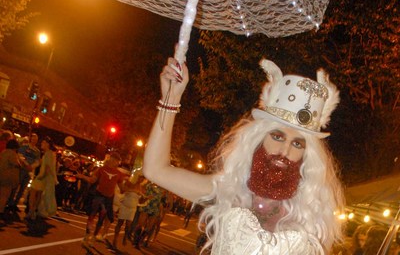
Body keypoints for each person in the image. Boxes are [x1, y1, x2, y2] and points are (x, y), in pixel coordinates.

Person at [143, 57, 345, 254]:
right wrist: (171, 99)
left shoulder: (311, 214)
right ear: (258, 138)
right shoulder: (229, 191)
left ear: (306, 154)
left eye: (297, 143)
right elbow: (155, 170)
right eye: (277, 136)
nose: (285, 151)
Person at [76, 152, 126, 247]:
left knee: (101, 218)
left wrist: (133, 188)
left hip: (108, 199)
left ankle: (93, 238)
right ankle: (86, 236)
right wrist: (82, 176)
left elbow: (122, 188)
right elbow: (92, 180)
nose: (114, 162)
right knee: (92, 215)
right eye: (113, 159)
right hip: (98, 195)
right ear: (110, 159)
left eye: (117, 161)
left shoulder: (119, 174)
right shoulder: (102, 169)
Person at [7, 133, 40, 213]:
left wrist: (32, 166)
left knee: (23, 188)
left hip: (29, 171)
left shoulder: (37, 151)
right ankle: (10, 203)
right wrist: (26, 163)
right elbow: (20, 155)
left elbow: (37, 161)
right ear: (30, 139)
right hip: (22, 169)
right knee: (16, 186)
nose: (34, 140)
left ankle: (15, 204)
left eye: (35, 139)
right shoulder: (24, 147)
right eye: (33, 139)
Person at [27, 136, 57, 220]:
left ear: (47, 144)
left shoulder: (48, 154)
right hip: (43, 177)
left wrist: (40, 176)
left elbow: (48, 168)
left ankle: (31, 210)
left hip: (41, 177)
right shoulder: (49, 153)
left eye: (43, 143)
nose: (41, 144)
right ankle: (33, 211)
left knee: (33, 194)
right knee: (38, 195)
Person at [0, 139, 31, 219]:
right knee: (4, 195)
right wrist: (22, 163)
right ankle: (1, 211)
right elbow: (16, 164)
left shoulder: (3, 152)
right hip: (8, 178)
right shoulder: (12, 154)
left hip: (2, 175)